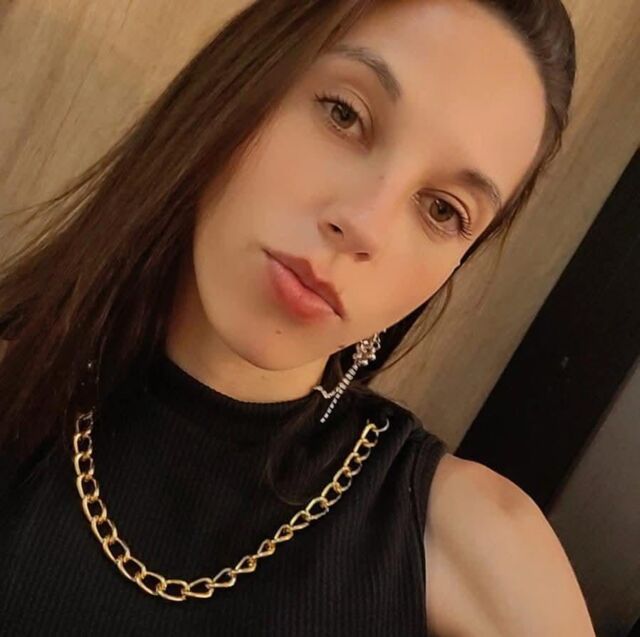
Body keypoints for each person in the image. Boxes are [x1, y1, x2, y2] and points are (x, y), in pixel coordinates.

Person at [0, 0, 595, 634]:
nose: (363, 224)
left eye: (443, 210)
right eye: (345, 114)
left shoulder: (471, 548)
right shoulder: (20, 383)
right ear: (244, 79)